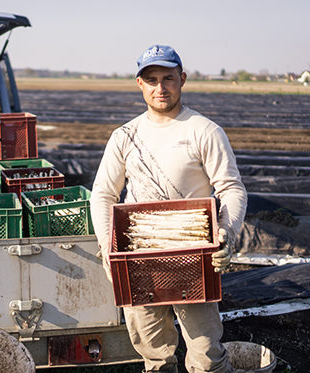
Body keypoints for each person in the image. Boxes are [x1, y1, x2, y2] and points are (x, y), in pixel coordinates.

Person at [89, 44, 248, 373]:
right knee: (155, 355)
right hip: (138, 259)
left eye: (168, 78)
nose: (160, 87)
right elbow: (103, 193)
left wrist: (227, 232)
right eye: (152, 80)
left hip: (192, 256)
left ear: (182, 79)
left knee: (206, 355)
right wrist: (108, 247)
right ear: (140, 84)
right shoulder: (125, 136)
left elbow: (231, 188)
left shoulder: (203, 131)